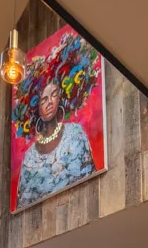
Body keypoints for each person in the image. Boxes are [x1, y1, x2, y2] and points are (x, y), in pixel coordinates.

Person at [12, 30, 101, 210]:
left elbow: (93, 185)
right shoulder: (29, 158)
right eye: (43, 100)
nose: (50, 102)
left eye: (54, 95)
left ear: (61, 95)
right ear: (34, 108)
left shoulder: (75, 134)